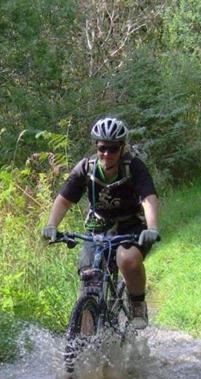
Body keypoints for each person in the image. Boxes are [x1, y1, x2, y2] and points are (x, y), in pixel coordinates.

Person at [42, 116, 159, 329]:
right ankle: (84, 341)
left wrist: (152, 228)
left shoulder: (133, 166)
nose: (107, 154)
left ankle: (137, 305)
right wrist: (52, 225)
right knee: (89, 278)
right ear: (96, 146)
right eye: (103, 148)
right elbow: (64, 200)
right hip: (98, 225)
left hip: (132, 224)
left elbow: (148, 198)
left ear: (122, 148)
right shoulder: (86, 168)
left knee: (127, 259)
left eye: (113, 149)